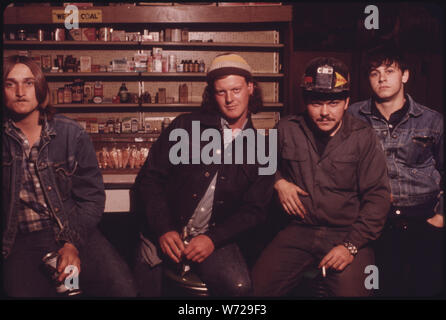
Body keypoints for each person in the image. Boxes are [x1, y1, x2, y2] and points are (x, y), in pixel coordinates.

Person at [132, 53, 274, 297]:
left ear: (250, 88)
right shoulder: (185, 127)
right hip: (165, 232)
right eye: (221, 92)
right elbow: (149, 180)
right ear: (212, 94)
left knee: (239, 289)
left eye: (236, 89)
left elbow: (255, 211)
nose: (230, 99)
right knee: (140, 290)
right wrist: (163, 228)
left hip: (213, 237)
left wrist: (213, 239)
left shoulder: (263, 148)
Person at [252, 57, 391, 297]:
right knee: (254, 291)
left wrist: (350, 246)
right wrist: (278, 182)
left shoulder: (363, 137)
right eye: (316, 103)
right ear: (305, 102)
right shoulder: (287, 129)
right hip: (299, 231)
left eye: (333, 103)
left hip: (347, 232)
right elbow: (259, 166)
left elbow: (378, 198)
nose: (325, 112)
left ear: (347, 102)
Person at [2, 55, 137, 297]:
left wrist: (71, 243)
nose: (20, 91)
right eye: (10, 84)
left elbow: (92, 198)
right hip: (19, 238)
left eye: (29, 83)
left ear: (41, 88)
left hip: (70, 227)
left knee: (122, 289)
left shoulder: (70, 133)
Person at [348, 44, 444, 297]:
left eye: (389, 71)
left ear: (405, 75)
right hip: (373, 219)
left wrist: (440, 217)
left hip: (424, 217)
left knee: (425, 289)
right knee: (380, 290)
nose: (382, 78)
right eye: (374, 72)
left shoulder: (431, 120)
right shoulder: (351, 116)